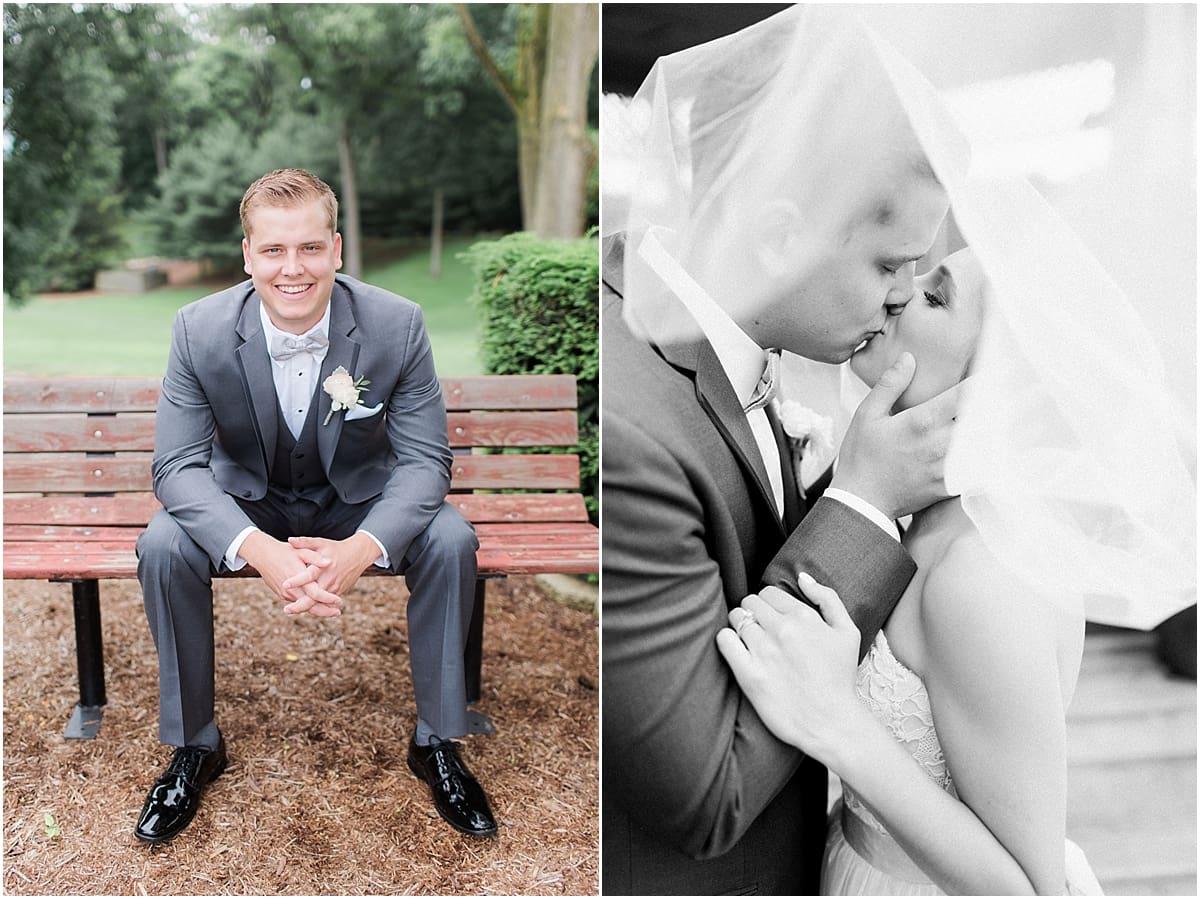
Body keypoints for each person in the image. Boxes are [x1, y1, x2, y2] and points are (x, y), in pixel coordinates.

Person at [600, 7, 967, 894]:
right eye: (889, 265)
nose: (901, 301)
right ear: (776, 236)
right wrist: (864, 505)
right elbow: (708, 792)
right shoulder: (628, 434)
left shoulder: (708, 340)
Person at [133, 168, 497, 843]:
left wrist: (362, 548)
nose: (291, 268)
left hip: (353, 505)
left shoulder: (396, 324)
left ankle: (439, 740)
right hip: (251, 504)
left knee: (450, 537)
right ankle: (193, 745)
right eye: (273, 250)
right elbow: (177, 468)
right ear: (248, 256)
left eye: (308, 248)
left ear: (336, 248)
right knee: (162, 541)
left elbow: (424, 463)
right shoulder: (199, 329)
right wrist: (259, 549)